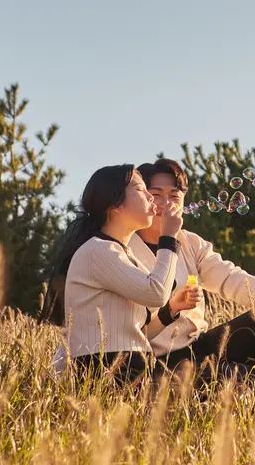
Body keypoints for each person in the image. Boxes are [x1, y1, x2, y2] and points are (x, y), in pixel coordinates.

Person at [130, 158, 255, 380]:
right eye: (156, 195)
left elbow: (231, 278)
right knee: (236, 375)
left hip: (201, 344)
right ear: (142, 198)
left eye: (174, 196)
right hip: (160, 359)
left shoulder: (190, 243)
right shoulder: (125, 249)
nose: (166, 203)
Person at [39, 163, 183, 384]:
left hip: (127, 367)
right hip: (106, 371)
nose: (150, 197)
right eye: (140, 189)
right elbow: (156, 293)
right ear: (115, 205)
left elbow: (135, 332)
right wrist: (169, 238)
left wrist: (171, 310)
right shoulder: (97, 250)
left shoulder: (121, 254)